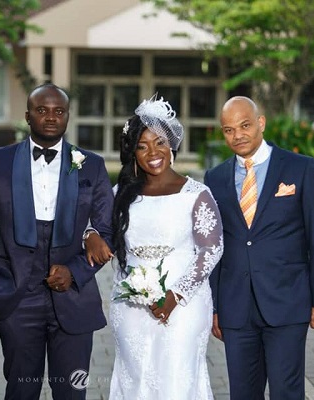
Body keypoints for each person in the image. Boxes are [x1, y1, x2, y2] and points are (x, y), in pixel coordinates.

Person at [0, 83, 114, 399]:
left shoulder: (92, 164)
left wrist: (74, 271)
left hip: (74, 296)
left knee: (72, 393)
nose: (50, 117)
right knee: (21, 390)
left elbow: (108, 232)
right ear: (27, 116)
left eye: (58, 111)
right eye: (42, 110)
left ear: (68, 116)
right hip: (17, 296)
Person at [87, 95, 224, 398]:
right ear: (132, 151)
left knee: (176, 381)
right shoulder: (120, 193)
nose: (153, 152)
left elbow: (211, 250)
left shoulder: (196, 194)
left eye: (160, 142)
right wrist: (90, 235)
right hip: (131, 307)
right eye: (143, 145)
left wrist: (176, 296)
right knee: (136, 382)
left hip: (183, 306)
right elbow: (97, 228)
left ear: (172, 145)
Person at [204, 96, 314, 399]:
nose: (238, 135)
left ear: (261, 123)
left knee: (287, 391)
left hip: (287, 303)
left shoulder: (301, 168)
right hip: (236, 309)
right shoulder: (215, 178)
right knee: (242, 393)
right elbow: (214, 247)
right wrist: (215, 308)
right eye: (229, 130)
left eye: (245, 125)